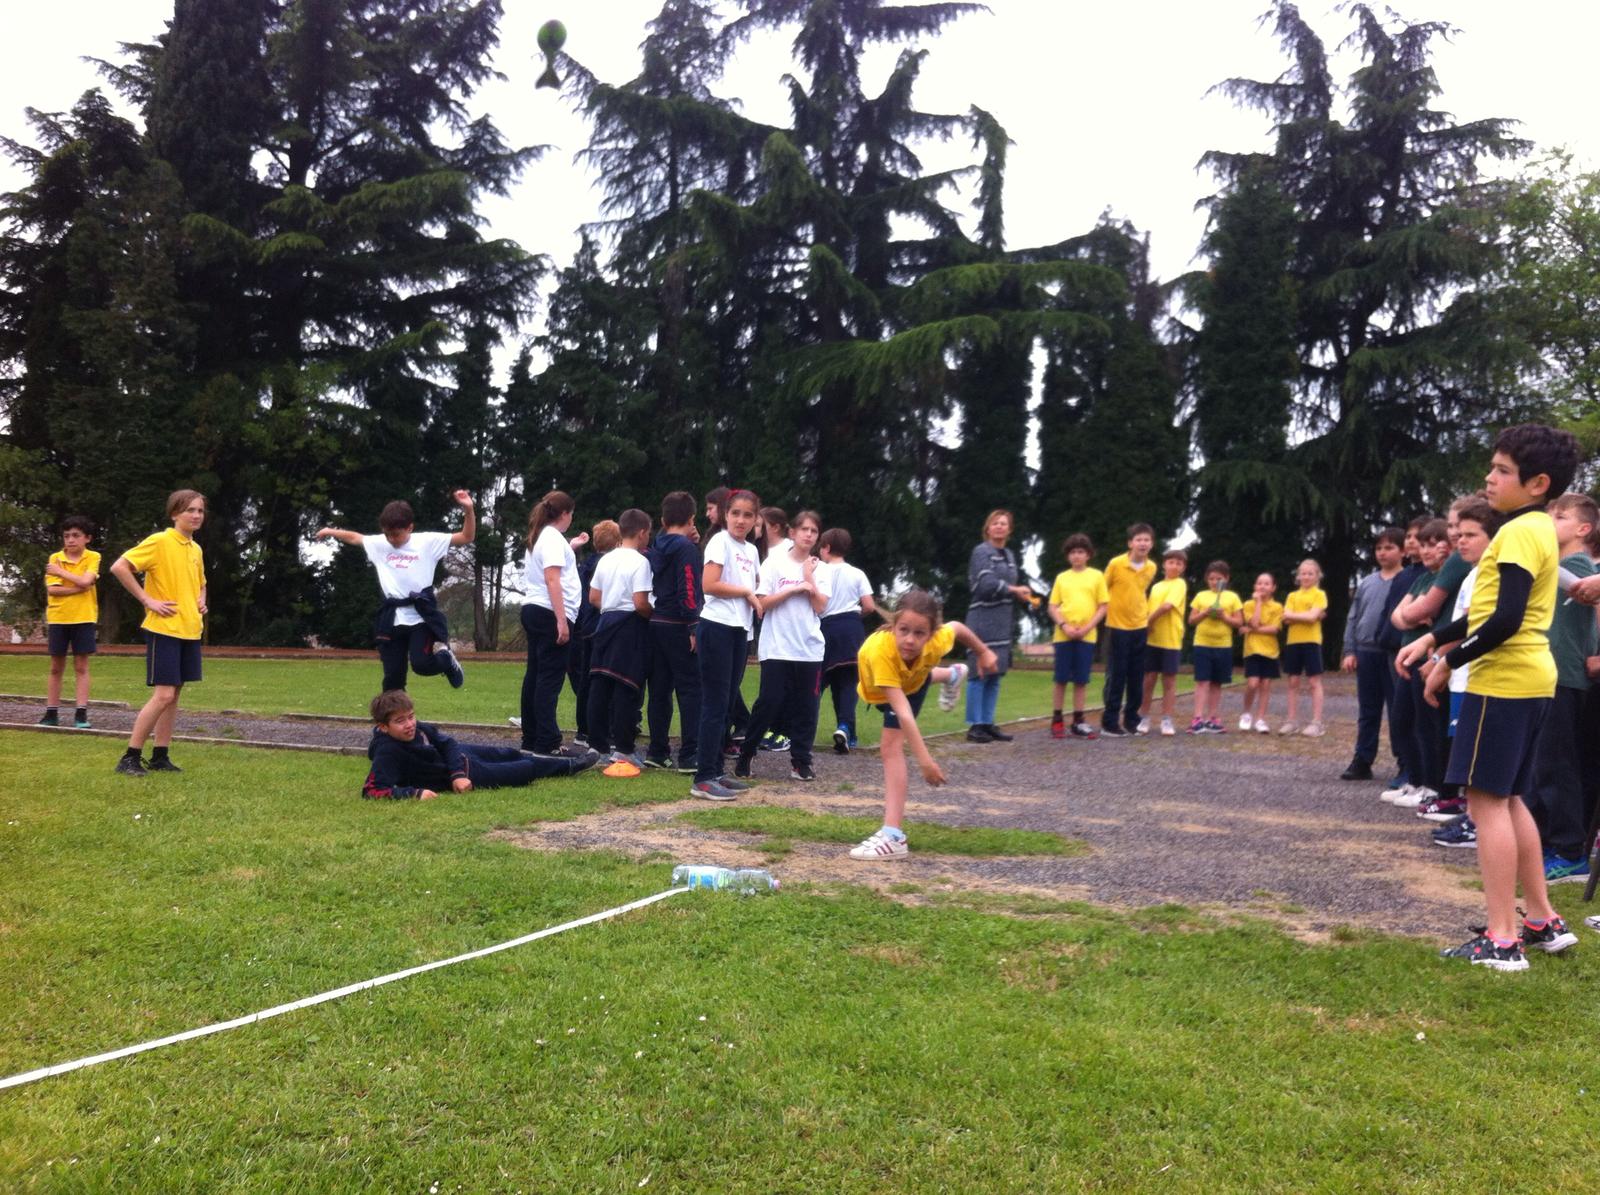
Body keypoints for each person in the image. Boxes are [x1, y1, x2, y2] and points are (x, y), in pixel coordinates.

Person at [1398, 423, 1583, 971]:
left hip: (1503, 680)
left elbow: (1504, 619)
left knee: (1485, 802)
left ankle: (1502, 938)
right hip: (1530, 678)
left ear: (1537, 483)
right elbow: (1489, 612)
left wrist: (1445, 662)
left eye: (1502, 470)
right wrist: (1437, 636)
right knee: (1510, 798)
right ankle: (1541, 919)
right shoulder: (1535, 528)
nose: (1490, 477)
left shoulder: (1521, 531)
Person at [848, 590, 997, 860]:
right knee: (921, 674)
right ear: (893, 626)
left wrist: (984, 652)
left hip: (910, 686)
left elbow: (957, 627)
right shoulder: (879, 651)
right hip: (883, 687)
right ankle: (953, 674)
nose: (910, 640)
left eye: (919, 633)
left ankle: (893, 837)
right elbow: (901, 709)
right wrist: (926, 761)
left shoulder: (935, 641)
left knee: (890, 748)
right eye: (903, 630)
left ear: (930, 633)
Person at [314, 493, 473, 692]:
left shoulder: (428, 542)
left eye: (396, 535)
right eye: (387, 534)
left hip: (420, 617)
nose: (391, 540)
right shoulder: (381, 544)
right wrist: (330, 531)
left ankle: (447, 660)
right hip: (391, 618)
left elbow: (466, 537)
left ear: (410, 528)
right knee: (393, 677)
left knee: (421, 664)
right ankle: (394, 720)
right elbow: (355, 537)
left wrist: (468, 509)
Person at [1523, 493, 1599, 884]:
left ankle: (1571, 853)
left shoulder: (1579, 566)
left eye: (1560, 517)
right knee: (1541, 764)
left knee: (1557, 764)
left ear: (1583, 529)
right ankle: (1546, 843)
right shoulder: (1555, 565)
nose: (1549, 522)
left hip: (1565, 677)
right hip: (1545, 676)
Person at [108, 490, 208, 777]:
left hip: (189, 630)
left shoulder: (196, 549)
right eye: (190, 510)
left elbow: (201, 583)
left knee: (174, 695)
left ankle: (160, 756)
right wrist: (147, 600)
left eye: (200, 511)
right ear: (175, 513)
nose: (196, 515)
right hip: (164, 629)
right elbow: (120, 567)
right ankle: (130, 757)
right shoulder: (160, 541)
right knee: (163, 695)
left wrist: (201, 599)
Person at [735, 510, 834, 781]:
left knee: (807, 706)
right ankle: (747, 753)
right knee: (769, 702)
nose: (808, 535)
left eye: (814, 531)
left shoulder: (821, 569)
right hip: (777, 647)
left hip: (809, 649)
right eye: (804, 529)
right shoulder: (774, 564)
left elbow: (820, 607)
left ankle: (801, 762)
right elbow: (761, 604)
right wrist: (792, 589)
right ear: (792, 532)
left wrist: (808, 578)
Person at [362, 690, 594, 799]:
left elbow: (447, 742)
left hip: (460, 761)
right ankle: (571, 766)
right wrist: (414, 793)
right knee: (525, 769)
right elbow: (372, 790)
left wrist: (456, 774)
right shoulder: (388, 752)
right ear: (383, 727)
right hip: (471, 774)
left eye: (411, 716)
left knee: (509, 753)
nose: (409, 724)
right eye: (400, 721)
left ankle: (564, 759)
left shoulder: (419, 728)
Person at [1426, 499, 1500, 840]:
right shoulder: (1473, 573)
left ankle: (1476, 822)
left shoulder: (1492, 572)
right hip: (1462, 675)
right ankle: (1471, 816)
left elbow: (1478, 624)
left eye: (1470, 534)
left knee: (1477, 754)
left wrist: (1443, 659)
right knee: (1464, 748)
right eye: (1458, 533)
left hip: (1478, 676)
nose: (1460, 541)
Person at [689, 489, 762, 800]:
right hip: (716, 627)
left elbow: (757, 587)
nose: (741, 520)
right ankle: (703, 777)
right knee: (715, 705)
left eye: (747, 515)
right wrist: (746, 593)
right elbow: (710, 585)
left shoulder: (752, 550)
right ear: (725, 514)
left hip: (739, 631)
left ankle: (717, 771)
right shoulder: (719, 541)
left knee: (728, 704)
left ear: (756, 518)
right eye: (735, 513)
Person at [1385, 519, 1450, 808]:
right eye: (1422, 544)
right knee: (1402, 720)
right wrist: (1410, 614)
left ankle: (1431, 785)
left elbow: (1421, 611)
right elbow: (1399, 615)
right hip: (1407, 654)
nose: (1426, 550)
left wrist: (1410, 613)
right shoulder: (1422, 577)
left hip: (1427, 657)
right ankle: (1412, 780)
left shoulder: (1444, 578)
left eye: (1433, 543)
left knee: (1426, 723)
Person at [586, 510, 655, 775]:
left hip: (605, 623)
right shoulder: (640, 562)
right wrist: (652, 613)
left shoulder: (606, 560)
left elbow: (594, 597)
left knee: (600, 686)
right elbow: (640, 603)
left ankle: (597, 747)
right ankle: (624, 749)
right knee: (627, 687)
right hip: (629, 626)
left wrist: (612, 607)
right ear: (641, 532)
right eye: (648, 533)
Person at [519, 491, 584, 756]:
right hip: (550, 612)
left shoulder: (539, 537)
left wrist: (571, 547)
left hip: (533, 609)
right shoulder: (553, 539)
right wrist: (561, 620)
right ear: (565, 514)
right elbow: (552, 579)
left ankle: (531, 739)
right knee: (549, 679)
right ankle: (548, 743)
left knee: (534, 675)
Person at [1338, 527, 1405, 780]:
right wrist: (1349, 650)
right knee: (1368, 710)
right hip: (1366, 652)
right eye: (1379, 548)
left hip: (1392, 653)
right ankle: (1363, 759)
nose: (1383, 553)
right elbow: (1353, 617)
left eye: (1389, 548)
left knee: (1397, 709)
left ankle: (1404, 761)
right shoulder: (1367, 582)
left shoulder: (1406, 580)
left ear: (1402, 551)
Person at [643, 492, 703, 773]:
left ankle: (657, 750)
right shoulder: (686, 549)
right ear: (692, 519)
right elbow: (688, 587)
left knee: (659, 690)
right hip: (679, 624)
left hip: (656, 623)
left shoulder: (657, 545)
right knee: (691, 689)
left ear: (663, 519)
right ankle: (690, 755)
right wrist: (693, 623)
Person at [963, 509, 1031, 743]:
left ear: (1009, 530)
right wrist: (1014, 590)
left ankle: (988, 722)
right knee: (978, 673)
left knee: (995, 674)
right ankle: (975, 725)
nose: (1000, 527)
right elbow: (985, 583)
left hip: (1002, 621)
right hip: (981, 619)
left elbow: (1003, 584)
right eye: (996, 523)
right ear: (988, 528)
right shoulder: (981, 551)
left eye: (1004, 524)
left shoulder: (1010, 555)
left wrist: (1020, 595)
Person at [817, 527, 876, 754]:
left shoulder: (820, 572)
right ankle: (846, 729)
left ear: (827, 548)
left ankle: (800, 727)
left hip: (826, 628)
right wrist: (853, 615)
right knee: (848, 683)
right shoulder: (857, 573)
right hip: (851, 630)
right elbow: (869, 606)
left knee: (818, 682)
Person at [39, 515, 100, 729]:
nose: (70, 540)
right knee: (56, 667)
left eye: (76, 535)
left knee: (81, 666)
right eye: (66, 536)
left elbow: (87, 580)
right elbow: (53, 589)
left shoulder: (93, 557)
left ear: (87, 538)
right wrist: (79, 588)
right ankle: (51, 712)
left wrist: (62, 573)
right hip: (59, 618)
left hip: (84, 617)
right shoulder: (55, 557)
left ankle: (81, 713)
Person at [1046, 533, 1108, 740]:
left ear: (1088, 555)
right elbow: (1053, 606)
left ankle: (1079, 720)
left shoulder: (1097, 576)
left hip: (1086, 635)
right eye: (1073, 552)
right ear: (1068, 556)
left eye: (1080, 552)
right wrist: (1064, 625)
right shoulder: (1062, 578)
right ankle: (1057, 719)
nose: (1076, 556)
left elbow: (1103, 606)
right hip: (1063, 635)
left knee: (1081, 680)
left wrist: (1087, 627)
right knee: (1061, 678)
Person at [1100, 523, 1157, 736]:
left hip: (1140, 625)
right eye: (1139, 539)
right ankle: (1110, 721)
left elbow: (1141, 592)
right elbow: (1102, 590)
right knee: (1117, 674)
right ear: (1130, 543)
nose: (1142, 543)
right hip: (1117, 626)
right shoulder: (1116, 564)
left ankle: (1132, 719)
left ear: (1151, 544)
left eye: (1146, 540)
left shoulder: (1151, 567)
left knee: (1136, 675)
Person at [566, 519, 616, 749]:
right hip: (601, 625)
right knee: (602, 679)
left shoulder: (586, 564)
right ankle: (601, 730)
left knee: (586, 679)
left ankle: (583, 730)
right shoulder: (609, 565)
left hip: (583, 626)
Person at [1186, 560, 1242, 734]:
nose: (1214, 582)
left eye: (1219, 578)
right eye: (1211, 578)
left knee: (1217, 682)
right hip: (1202, 644)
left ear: (1226, 579)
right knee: (1202, 681)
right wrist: (1205, 613)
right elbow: (1191, 620)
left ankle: (1213, 718)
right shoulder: (1201, 596)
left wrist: (1224, 616)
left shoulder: (1232, 597)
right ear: (1206, 579)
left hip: (1223, 645)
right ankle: (1197, 718)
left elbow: (1239, 622)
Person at [1140, 547, 1189, 736]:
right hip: (1153, 639)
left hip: (1171, 639)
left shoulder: (1180, 584)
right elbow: (1150, 607)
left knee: (1168, 680)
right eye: (1171, 562)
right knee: (1149, 679)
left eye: (1178, 563)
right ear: (1164, 564)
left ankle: (1167, 719)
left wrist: (1149, 620)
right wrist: (1147, 624)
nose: (1174, 566)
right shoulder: (1156, 586)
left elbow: (1167, 606)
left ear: (1183, 567)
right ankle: (1143, 716)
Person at [1281, 559, 1329, 736]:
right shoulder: (1292, 596)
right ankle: (1291, 721)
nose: (1306, 576)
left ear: (1317, 576)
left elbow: (1311, 617)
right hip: (1293, 642)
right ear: (1298, 575)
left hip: (1312, 641)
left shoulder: (1319, 594)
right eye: (1303, 573)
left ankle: (1317, 722)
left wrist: (1296, 615)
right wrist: (1307, 615)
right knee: (1293, 682)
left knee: (1313, 682)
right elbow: (1285, 618)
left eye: (1310, 573)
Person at [1239, 572, 1283, 733]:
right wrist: (1258, 602)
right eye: (1259, 583)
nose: (1262, 586)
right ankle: (1246, 713)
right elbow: (1255, 622)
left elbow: (1274, 629)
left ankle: (1260, 719)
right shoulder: (1248, 604)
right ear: (1254, 587)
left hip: (1270, 651)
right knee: (1252, 683)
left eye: (1266, 583)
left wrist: (1251, 629)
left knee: (1265, 685)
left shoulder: (1277, 607)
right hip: (1252, 650)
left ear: (1273, 588)